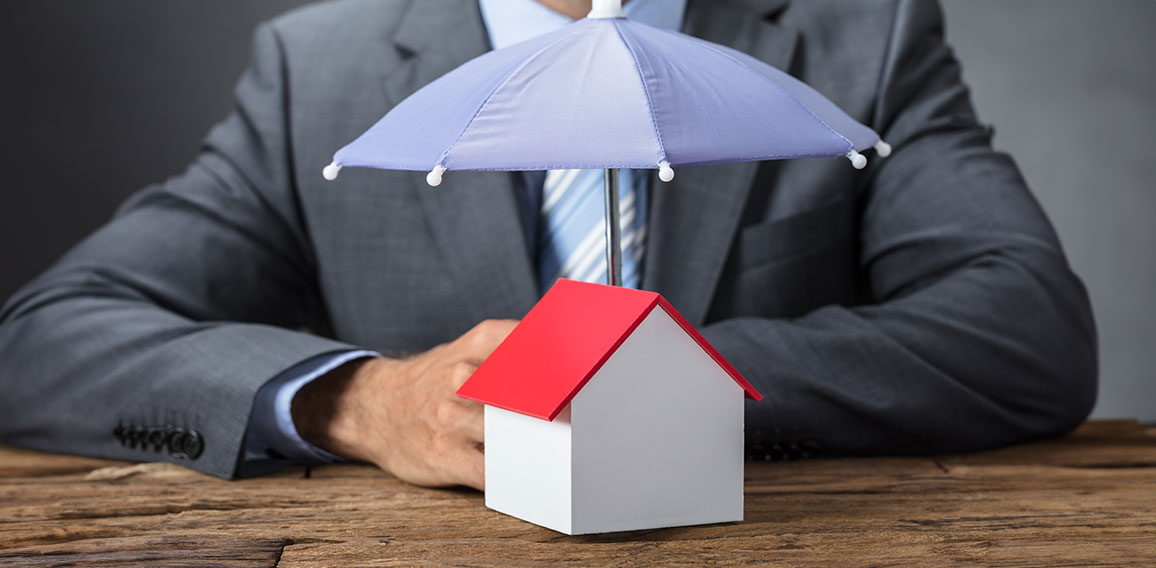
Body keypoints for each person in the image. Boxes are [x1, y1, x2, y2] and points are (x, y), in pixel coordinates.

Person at [0, 0, 1097, 490]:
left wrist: (661, 383)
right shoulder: (314, 76)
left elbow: (1024, 326)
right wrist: (360, 401)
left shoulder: (865, 34)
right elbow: (45, 341)